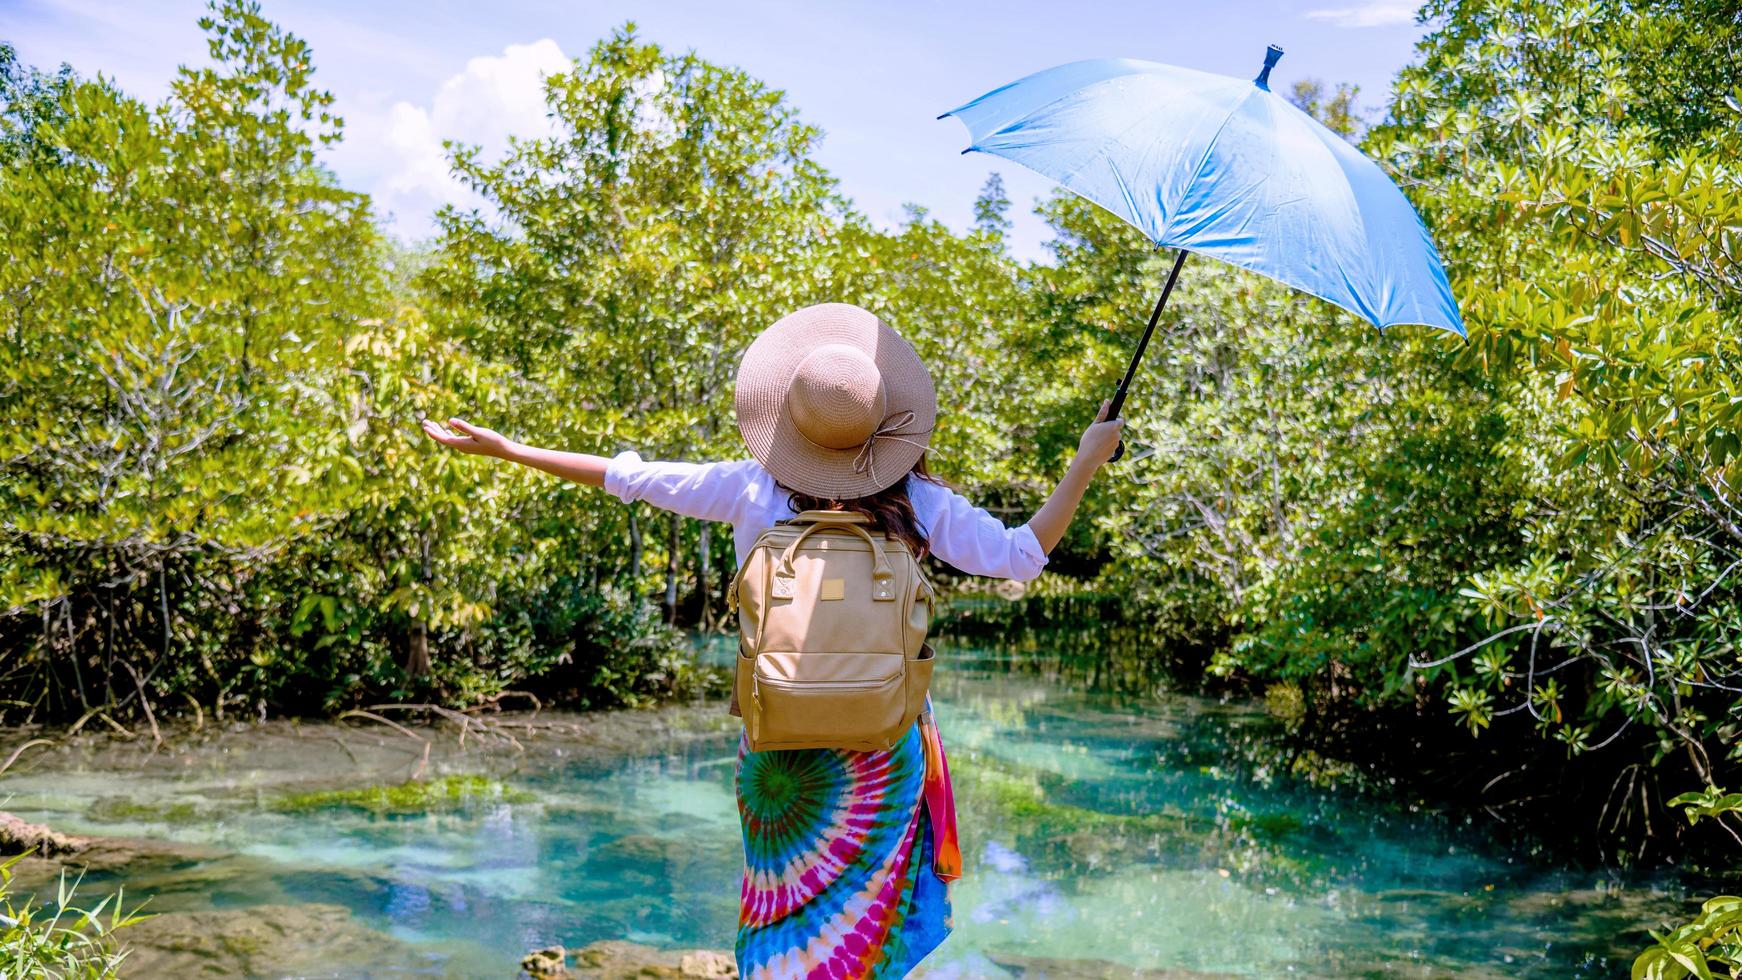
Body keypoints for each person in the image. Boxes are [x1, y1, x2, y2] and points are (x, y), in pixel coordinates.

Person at [422, 302, 1122, 978]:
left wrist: (511, 449)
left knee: (782, 909)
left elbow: (627, 479)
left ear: (789, 420)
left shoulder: (749, 489)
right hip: (881, 742)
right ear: (886, 424)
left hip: (780, 742)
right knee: (860, 924)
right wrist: (1088, 457)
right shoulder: (918, 502)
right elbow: (1024, 555)